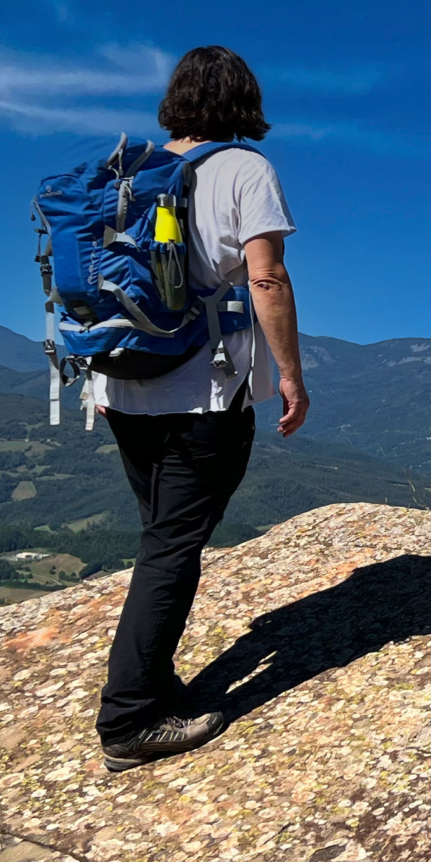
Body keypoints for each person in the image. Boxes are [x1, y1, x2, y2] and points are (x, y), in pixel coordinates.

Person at [93, 46, 310, 772]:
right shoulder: (245, 170)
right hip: (203, 390)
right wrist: (291, 375)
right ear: (243, 102)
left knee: (162, 531)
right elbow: (267, 280)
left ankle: (151, 679)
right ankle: (129, 718)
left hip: (121, 384)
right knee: (172, 545)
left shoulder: (129, 170)